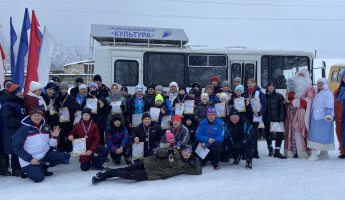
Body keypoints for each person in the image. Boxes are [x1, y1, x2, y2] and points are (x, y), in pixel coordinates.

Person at [91, 146, 201, 184]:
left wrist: (194, 159)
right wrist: (167, 152)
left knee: (131, 175)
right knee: (128, 168)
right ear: (182, 151)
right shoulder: (174, 152)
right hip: (149, 162)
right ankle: (106, 173)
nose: (187, 153)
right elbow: (158, 152)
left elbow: (198, 171)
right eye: (186, 151)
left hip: (153, 173)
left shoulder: (185, 166)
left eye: (189, 153)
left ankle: (108, 172)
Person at [12, 108, 66, 183]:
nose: (37, 117)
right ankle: (26, 170)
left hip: (43, 155)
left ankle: (42, 167)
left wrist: (55, 137)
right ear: (30, 116)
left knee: (63, 156)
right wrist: (30, 159)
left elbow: (52, 144)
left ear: (42, 116)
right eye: (34, 115)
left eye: (39, 115)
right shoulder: (23, 129)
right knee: (38, 178)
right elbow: (16, 147)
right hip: (30, 159)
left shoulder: (46, 127)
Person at [284, 69, 315, 158]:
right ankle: (291, 151)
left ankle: (303, 151)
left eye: (303, 75)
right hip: (291, 112)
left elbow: (310, 100)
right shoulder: (291, 86)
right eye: (299, 75)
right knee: (290, 131)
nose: (300, 77)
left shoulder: (310, 88)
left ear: (306, 77)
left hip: (302, 113)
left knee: (301, 131)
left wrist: (296, 102)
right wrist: (288, 98)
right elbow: (286, 98)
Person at [1, 84, 26, 176]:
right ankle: (15, 169)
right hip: (12, 130)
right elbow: (7, 119)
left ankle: (18, 167)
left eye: (21, 91)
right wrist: (20, 123)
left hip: (18, 129)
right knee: (15, 149)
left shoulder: (18, 102)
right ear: (14, 93)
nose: (21, 93)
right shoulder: (9, 104)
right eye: (19, 92)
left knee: (18, 148)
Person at [307, 78, 335, 161]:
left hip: (324, 117)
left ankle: (314, 154)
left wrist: (328, 114)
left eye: (321, 83)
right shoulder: (317, 93)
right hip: (316, 117)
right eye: (318, 83)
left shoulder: (328, 94)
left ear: (325, 84)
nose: (319, 84)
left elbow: (329, 104)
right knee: (321, 134)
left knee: (317, 135)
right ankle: (324, 152)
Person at [244, 78, 267, 159]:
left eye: (252, 83)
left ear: (255, 84)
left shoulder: (259, 92)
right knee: (246, 134)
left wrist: (260, 113)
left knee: (254, 134)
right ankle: (247, 151)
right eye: (249, 83)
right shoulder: (245, 92)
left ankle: (255, 152)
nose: (250, 84)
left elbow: (264, 104)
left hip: (255, 116)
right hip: (247, 116)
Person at [263, 82, 286, 159]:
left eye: (272, 86)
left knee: (279, 135)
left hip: (277, 119)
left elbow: (282, 109)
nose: (271, 87)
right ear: (267, 87)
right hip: (267, 119)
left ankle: (277, 151)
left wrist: (281, 119)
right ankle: (270, 149)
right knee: (268, 135)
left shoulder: (279, 96)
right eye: (269, 86)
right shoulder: (264, 96)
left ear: (274, 87)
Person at [56, 82, 78, 164]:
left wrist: (70, 114)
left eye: (65, 89)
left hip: (68, 123)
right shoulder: (57, 98)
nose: (64, 90)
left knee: (68, 139)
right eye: (62, 89)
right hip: (60, 122)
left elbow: (74, 109)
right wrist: (57, 114)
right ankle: (61, 155)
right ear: (60, 89)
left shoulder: (71, 98)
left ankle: (68, 154)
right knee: (61, 139)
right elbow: (54, 109)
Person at [334, 71, 345, 159]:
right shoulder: (338, 90)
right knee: (341, 134)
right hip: (340, 116)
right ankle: (343, 151)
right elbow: (333, 102)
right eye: (344, 77)